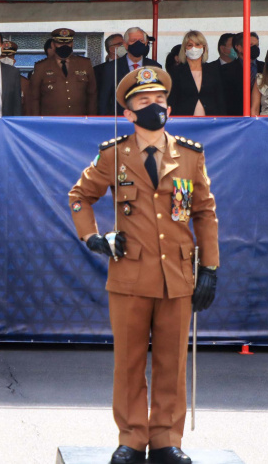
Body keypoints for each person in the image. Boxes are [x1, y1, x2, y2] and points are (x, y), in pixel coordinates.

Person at [68, 66, 218, 464]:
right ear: (129, 113)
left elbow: (204, 212)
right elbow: (80, 196)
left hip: (177, 278)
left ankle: (168, 439)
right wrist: (94, 238)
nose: (156, 106)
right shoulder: (114, 154)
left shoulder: (189, 155)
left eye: (160, 100)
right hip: (130, 275)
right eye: (144, 101)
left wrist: (211, 269)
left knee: (172, 362)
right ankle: (132, 438)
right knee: (130, 362)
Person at [26, 28, 97, 116]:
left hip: (79, 121)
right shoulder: (41, 67)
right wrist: (37, 124)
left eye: (68, 43)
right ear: (53, 44)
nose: (64, 45)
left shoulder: (85, 64)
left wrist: (91, 121)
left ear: (72, 44)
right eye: (60, 43)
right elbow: (34, 99)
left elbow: (92, 95)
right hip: (51, 123)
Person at [98, 28, 162, 116]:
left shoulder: (155, 67)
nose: (138, 43)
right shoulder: (112, 68)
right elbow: (104, 100)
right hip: (120, 121)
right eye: (133, 40)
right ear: (125, 44)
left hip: (147, 120)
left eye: (141, 40)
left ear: (146, 43)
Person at [168, 31, 224, 116]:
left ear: (204, 48)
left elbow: (220, 99)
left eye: (198, 44)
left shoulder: (213, 70)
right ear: (184, 49)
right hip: (184, 121)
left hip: (211, 122)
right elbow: (172, 100)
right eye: (190, 45)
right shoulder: (176, 72)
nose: (194, 48)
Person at [221, 32, 262, 116]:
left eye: (257, 45)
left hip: (260, 117)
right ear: (239, 48)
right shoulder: (225, 70)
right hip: (235, 118)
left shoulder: (265, 68)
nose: (255, 48)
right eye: (251, 44)